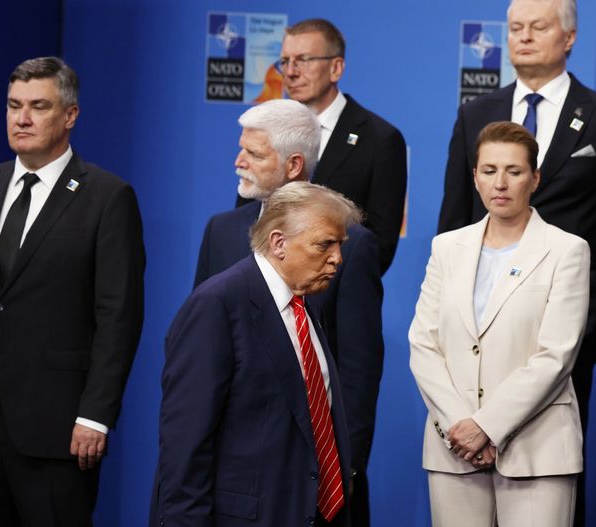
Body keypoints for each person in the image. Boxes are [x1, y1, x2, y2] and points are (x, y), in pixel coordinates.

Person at [437, 1, 596, 521]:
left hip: (562, 327)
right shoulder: (475, 113)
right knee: (465, 470)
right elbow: (452, 222)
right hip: (474, 326)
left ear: (568, 38)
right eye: (515, 28)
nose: (522, 37)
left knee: (550, 471)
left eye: (537, 27)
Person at [0, 56, 145, 525]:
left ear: (70, 115)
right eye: (14, 106)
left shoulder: (107, 197)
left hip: (59, 429)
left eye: (38, 106)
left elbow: (119, 317)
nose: (22, 118)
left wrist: (96, 413)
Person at [194, 99, 384, 521]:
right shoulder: (221, 232)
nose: (238, 161)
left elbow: (357, 365)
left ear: (294, 163)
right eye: (242, 149)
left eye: (254, 154)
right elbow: (199, 355)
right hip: (235, 466)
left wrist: (347, 463)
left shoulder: (350, 244)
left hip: (314, 465)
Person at [410, 121, 590, 526]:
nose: (501, 183)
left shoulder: (567, 251)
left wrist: (487, 427)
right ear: (474, 178)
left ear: (535, 178)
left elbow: (555, 356)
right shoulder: (446, 248)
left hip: (536, 449)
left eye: (514, 171)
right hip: (453, 449)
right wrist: (462, 426)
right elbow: (424, 345)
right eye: (489, 171)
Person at [152, 182, 359, 526]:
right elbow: (185, 443)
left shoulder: (307, 306)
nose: (337, 257)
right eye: (325, 244)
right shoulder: (216, 306)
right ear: (279, 242)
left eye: (340, 244)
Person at [238, 18, 407, 277]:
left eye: (303, 60)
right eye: (285, 62)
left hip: (333, 299)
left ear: (336, 68)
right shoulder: (264, 131)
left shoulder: (380, 140)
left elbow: (379, 245)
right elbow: (247, 215)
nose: (291, 72)